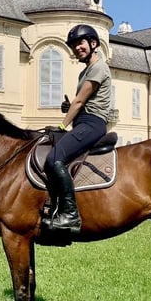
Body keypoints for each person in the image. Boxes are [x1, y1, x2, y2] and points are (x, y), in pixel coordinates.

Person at [42, 24, 112, 234]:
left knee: (54, 158)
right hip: (84, 121)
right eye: (73, 46)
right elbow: (81, 101)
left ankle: (70, 215)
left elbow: (80, 102)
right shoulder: (86, 71)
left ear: (93, 43)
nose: (76, 48)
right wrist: (69, 107)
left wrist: (62, 125)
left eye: (80, 43)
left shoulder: (99, 67)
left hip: (92, 123)